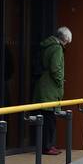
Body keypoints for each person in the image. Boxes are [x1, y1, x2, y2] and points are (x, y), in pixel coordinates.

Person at [32, 27, 71, 156]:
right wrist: (60, 81)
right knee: (50, 119)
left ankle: (43, 145)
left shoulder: (46, 45)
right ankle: (48, 146)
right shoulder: (57, 48)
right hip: (50, 90)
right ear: (65, 39)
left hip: (42, 86)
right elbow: (55, 68)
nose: (67, 45)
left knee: (43, 118)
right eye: (68, 43)